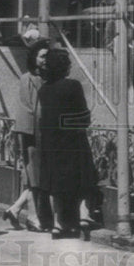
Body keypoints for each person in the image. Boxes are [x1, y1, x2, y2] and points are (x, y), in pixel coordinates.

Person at [35, 48, 99, 239]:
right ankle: (83, 217)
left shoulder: (43, 90)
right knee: (84, 177)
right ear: (64, 66)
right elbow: (82, 114)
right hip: (73, 140)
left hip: (51, 142)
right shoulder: (73, 86)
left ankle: (57, 224)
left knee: (56, 182)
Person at [3, 41, 54, 232]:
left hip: (45, 133)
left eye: (47, 57)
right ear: (34, 58)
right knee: (34, 177)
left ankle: (15, 209)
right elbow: (28, 108)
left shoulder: (48, 78)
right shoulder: (27, 78)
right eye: (41, 56)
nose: (44, 60)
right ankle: (32, 218)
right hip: (33, 133)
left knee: (38, 177)